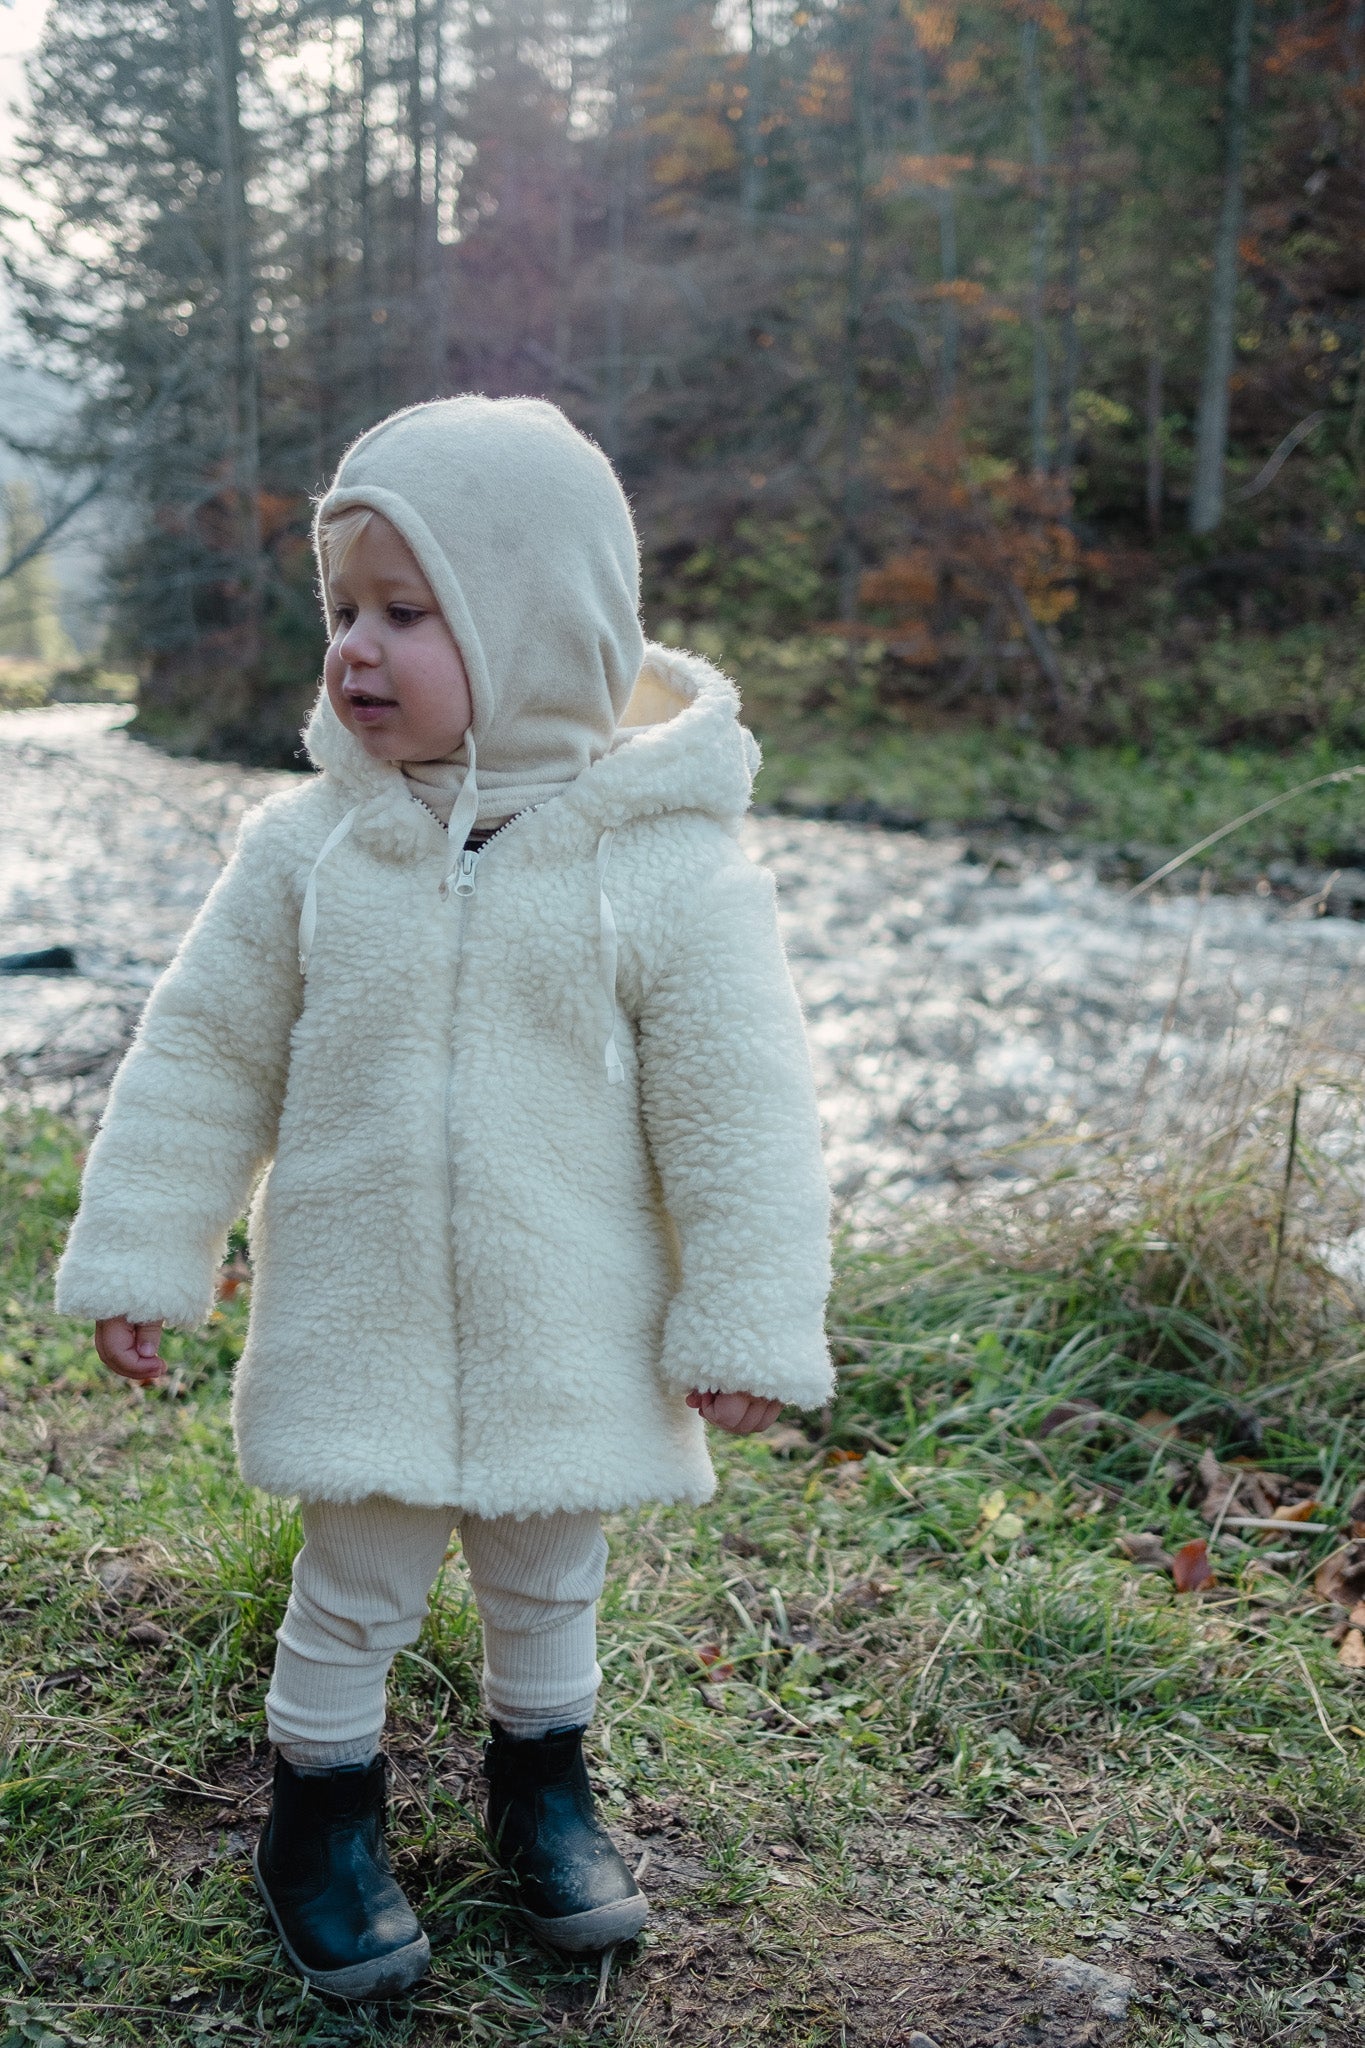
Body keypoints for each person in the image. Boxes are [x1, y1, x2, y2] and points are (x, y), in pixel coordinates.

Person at [55, 396, 833, 2001]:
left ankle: (543, 1789)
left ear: (539, 628)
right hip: (364, 1310)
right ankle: (319, 1819)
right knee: (357, 1578)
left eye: (409, 613)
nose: (357, 647)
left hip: (573, 1317)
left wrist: (743, 1316)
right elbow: (203, 1053)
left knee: (550, 1572)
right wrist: (147, 1242)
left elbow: (741, 1117)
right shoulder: (309, 851)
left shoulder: (669, 869)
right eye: (344, 608)